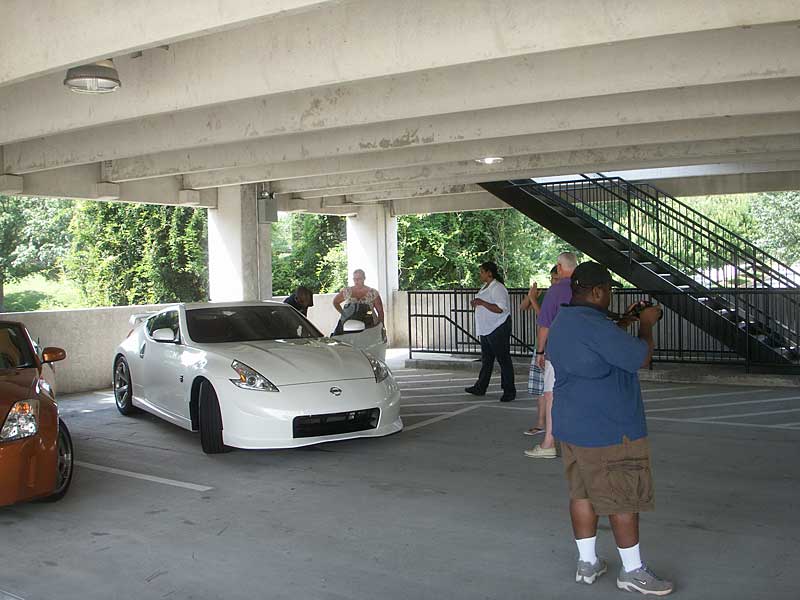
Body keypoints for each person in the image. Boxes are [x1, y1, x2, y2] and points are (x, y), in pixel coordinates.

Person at [546, 261, 673, 595]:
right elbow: (640, 357)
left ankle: (587, 563)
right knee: (622, 498)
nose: (611, 297)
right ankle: (632, 571)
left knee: (582, 494)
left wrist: (624, 320)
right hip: (608, 430)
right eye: (609, 291)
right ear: (598, 291)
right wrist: (646, 324)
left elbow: (594, 343)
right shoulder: (597, 328)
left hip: (573, 428)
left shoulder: (566, 319)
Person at [525, 252, 577, 459]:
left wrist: (540, 351)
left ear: (559, 267)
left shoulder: (556, 290)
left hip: (558, 349)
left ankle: (549, 442)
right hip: (584, 349)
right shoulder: (584, 288)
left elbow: (545, 324)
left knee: (551, 394)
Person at [464, 261, 516, 402]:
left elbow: (500, 308)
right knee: (487, 360)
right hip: (487, 328)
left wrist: (481, 303)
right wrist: (477, 303)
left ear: (489, 273)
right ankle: (481, 387)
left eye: (482, 271)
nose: (480, 274)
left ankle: (509, 390)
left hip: (498, 327)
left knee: (503, 359)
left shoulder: (498, 287)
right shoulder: (485, 287)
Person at [520, 265, 558, 436]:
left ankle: (552, 425)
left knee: (552, 389)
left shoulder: (565, 295)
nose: (553, 283)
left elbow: (545, 318)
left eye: (556, 279)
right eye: (552, 279)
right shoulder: (547, 294)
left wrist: (534, 300)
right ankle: (541, 422)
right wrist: (531, 296)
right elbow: (523, 307)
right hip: (541, 347)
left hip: (555, 348)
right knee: (541, 389)